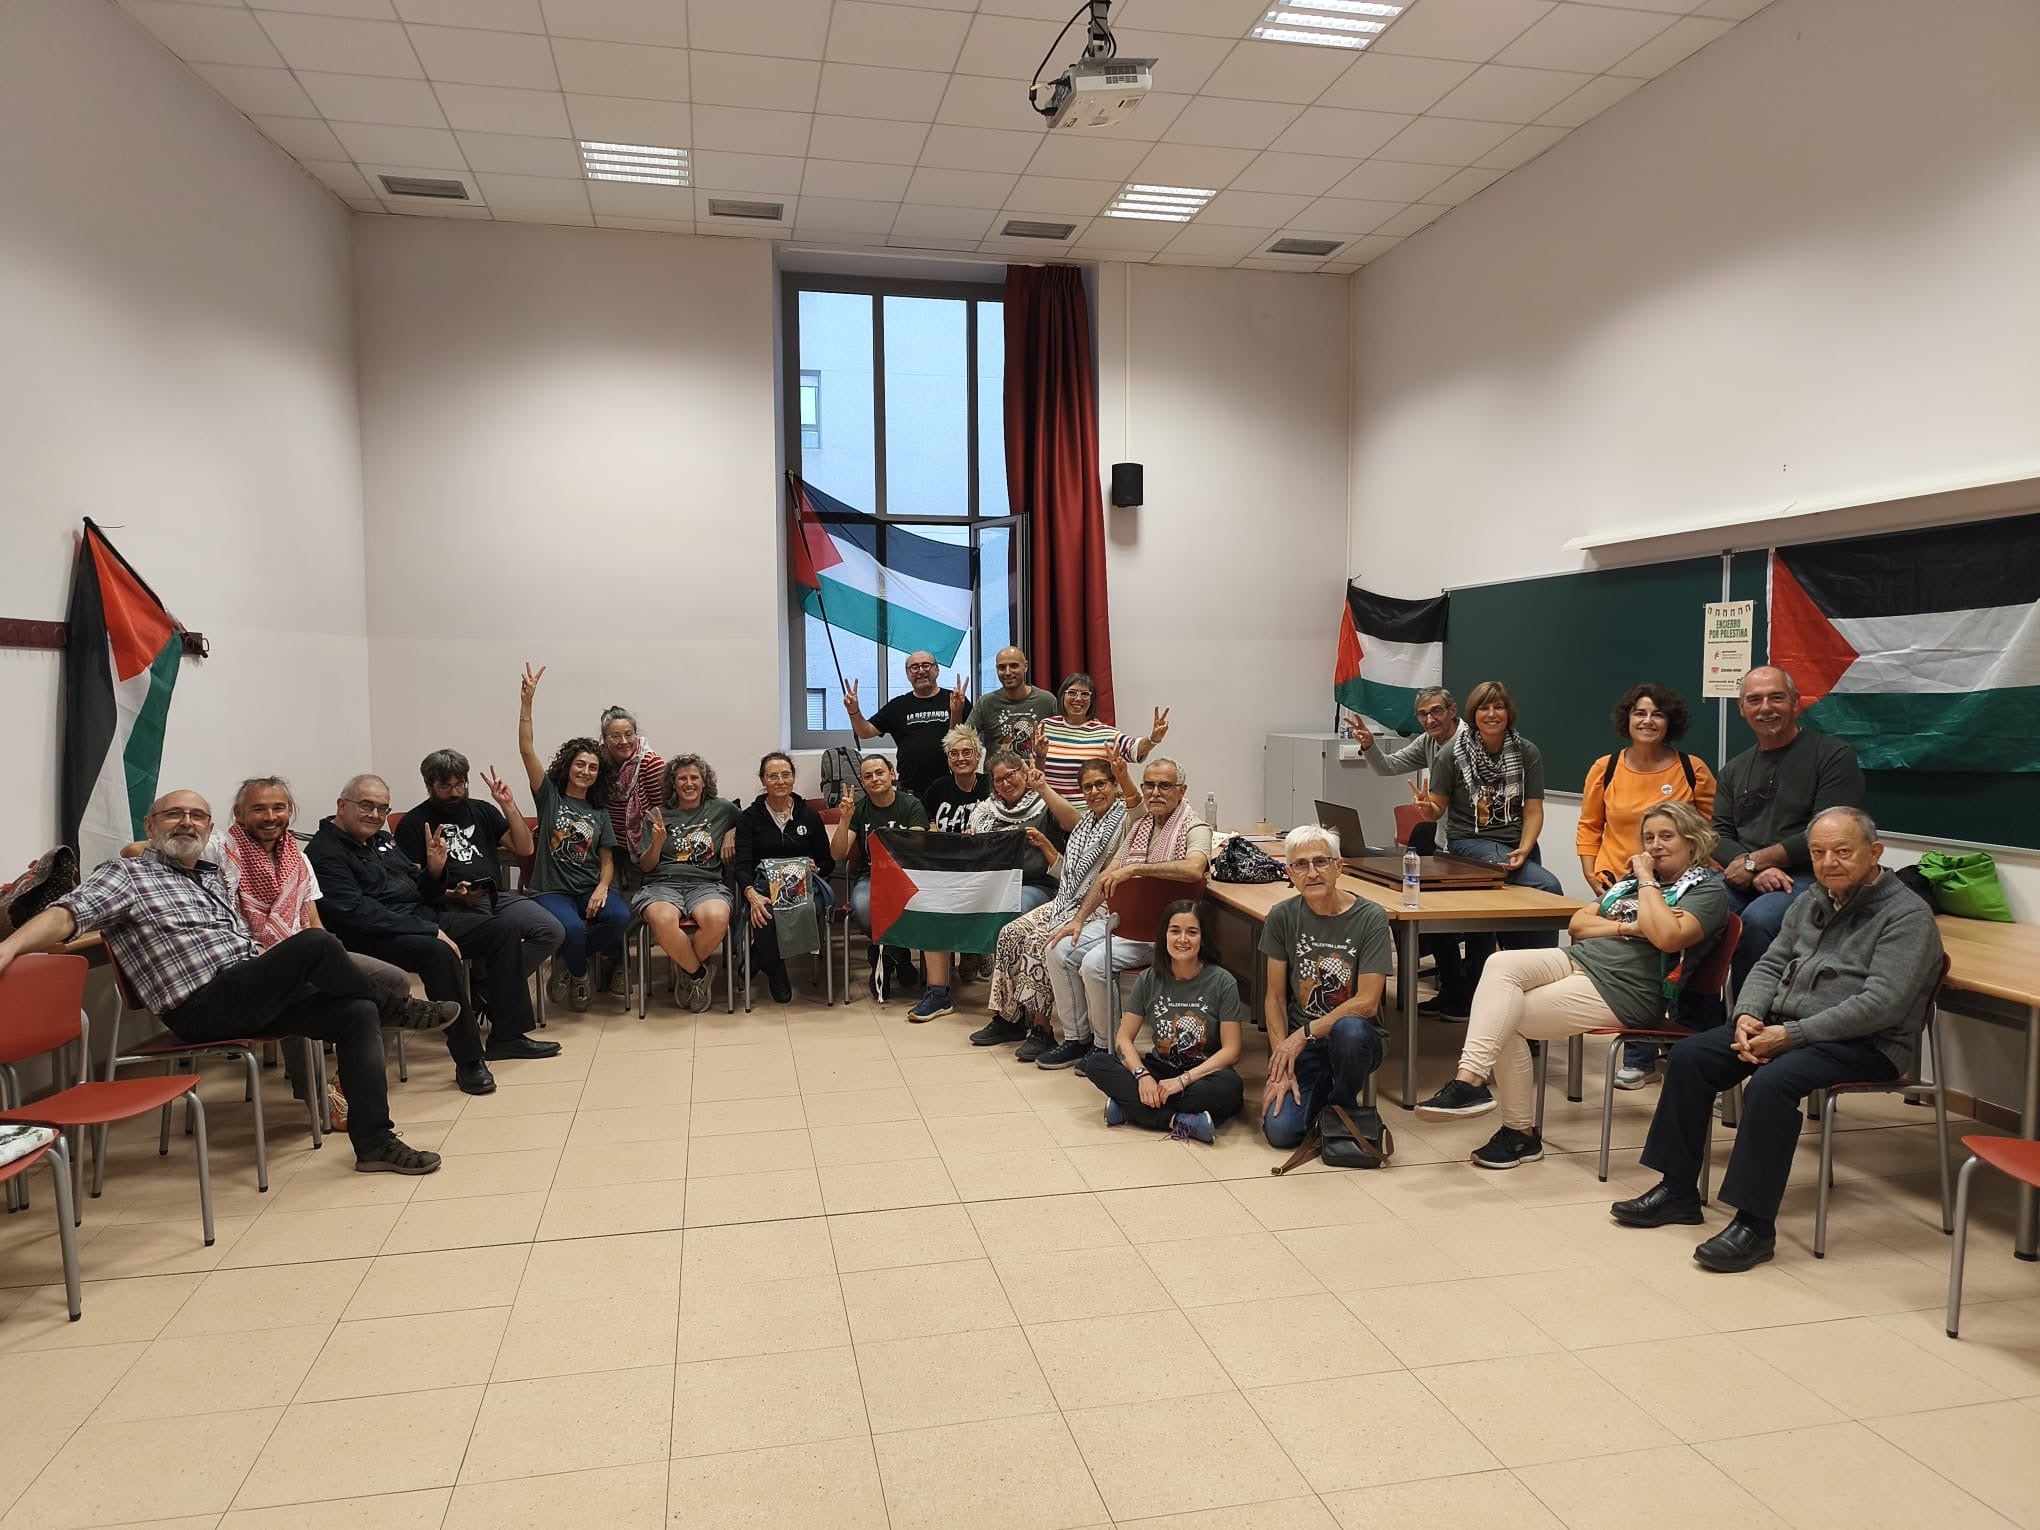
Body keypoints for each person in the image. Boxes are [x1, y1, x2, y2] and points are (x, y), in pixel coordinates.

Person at [0, 790, 446, 1174]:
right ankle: (399, 1009)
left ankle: (374, 1145)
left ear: (209, 828)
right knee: (315, 943)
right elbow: (68, 913)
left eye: (196, 816)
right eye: (174, 814)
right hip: (199, 1005)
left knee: (356, 1012)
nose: (186, 822)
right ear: (150, 824)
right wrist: (11, 947)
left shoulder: (212, 878)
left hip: (246, 988)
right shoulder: (128, 876)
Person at [1612, 807, 1943, 1272]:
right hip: (1784, 1026)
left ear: (1875, 853)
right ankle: (1677, 1191)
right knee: (1690, 1056)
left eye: (1843, 852)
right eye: (1818, 853)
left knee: (1770, 1085)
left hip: (1866, 1043)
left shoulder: (1906, 915)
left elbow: (1881, 1006)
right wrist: (1748, 1015)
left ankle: (1754, 1225)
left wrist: (1791, 1035)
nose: (1829, 863)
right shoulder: (1812, 901)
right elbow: (1770, 964)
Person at [1414, 801, 1730, 1170]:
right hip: (1580, 961)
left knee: (1505, 1019)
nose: (1655, 845)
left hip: (1626, 990)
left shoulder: (1706, 892)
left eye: (1666, 836)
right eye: (1648, 837)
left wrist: (1646, 883)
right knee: (1499, 964)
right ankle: (1470, 1080)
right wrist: (1630, 927)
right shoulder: (1628, 885)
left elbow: (1667, 938)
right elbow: (1579, 924)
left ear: (1692, 842)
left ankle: (1518, 1133)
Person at [311, 774, 556, 1096]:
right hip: (370, 936)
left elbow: (419, 889)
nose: (374, 815)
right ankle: (469, 1060)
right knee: (438, 952)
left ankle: (507, 1036)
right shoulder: (324, 852)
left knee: (502, 929)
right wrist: (430, 930)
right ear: (342, 805)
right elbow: (355, 914)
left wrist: (436, 872)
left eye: (382, 808)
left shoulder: (380, 840)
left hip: (417, 918)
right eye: (366, 806)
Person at [1577, 686, 1719, 1090]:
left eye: (1657, 714)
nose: (1648, 721)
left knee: (1678, 961)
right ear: (1628, 719)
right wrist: (1592, 872)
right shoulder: (1605, 768)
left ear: (1670, 722)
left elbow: (1709, 832)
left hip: (1678, 885)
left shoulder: (1693, 769)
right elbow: (1590, 826)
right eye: (1640, 713)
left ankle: (1688, 1053)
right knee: (1629, 961)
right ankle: (1640, 1056)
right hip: (1619, 883)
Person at [1040, 757, 1212, 1053]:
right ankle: (1075, 1039)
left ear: (1181, 791)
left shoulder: (1195, 827)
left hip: (1161, 931)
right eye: (1149, 785)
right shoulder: (1139, 825)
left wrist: (1138, 869)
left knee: (1095, 965)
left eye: (1165, 786)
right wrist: (1079, 919)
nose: (1155, 792)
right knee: (1057, 949)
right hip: (1123, 923)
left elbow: (1195, 869)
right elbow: (1109, 876)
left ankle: (1106, 1046)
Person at [1710, 666, 1866, 992]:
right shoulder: (1733, 770)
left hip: (1812, 875)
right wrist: (1752, 869)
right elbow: (1718, 834)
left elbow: (1826, 834)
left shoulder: (1833, 756)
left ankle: (1747, 1024)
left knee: (1758, 920)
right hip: (1749, 874)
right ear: (1742, 709)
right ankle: (1695, 1024)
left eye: (1776, 697)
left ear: (1795, 703)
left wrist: (1758, 861)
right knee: (1691, 911)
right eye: (1754, 700)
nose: (1765, 707)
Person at [980, 756, 1138, 1066]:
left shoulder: (1126, 820)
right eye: (1087, 787)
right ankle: (1008, 1017)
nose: (1094, 792)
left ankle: (1042, 1029)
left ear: (1115, 785)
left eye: (1100, 784)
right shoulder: (1086, 825)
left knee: (1043, 941)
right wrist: (1046, 848)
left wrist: (1125, 775)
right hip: (1067, 900)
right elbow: (1071, 873)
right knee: (1010, 932)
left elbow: (1135, 803)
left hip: (1101, 908)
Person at [1259, 825, 1394, 1151]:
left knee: (1349, 1029)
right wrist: (1281, 1062)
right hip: (1304, 1045)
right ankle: (1326, 1107)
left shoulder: (1371, 918)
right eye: (1301, 865)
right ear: (1290, 873)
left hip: (1355, 1041)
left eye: (1321, 862)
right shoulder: (1282, 916)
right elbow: (1275, 998)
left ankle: (1339, 1102)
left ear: (1339, 867)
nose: (1312, 872)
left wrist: (1302, 1035)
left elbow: (1367, 1003)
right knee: (1280, 1133)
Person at [1416, 680, 1564, 968]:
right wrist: (1426, 809)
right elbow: (1436, 809)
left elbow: (1533, 810)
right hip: (1468, 843)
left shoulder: (1526, 752)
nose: (1492, 714)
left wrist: (1525, 847)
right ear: (1473, 715)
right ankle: (1546, 969)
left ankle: (1526, 972)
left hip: (1515, 843)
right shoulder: (1452, 754)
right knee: (1548, 886)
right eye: (1484, 708)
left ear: (1509, 712)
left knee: (1528, 901)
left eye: (1499, 707)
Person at [1348, 686, 1474, 1018]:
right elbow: (1388, 766)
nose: (1429, 719)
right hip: (1446, 839)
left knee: (1474, 925)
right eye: (1423, 714)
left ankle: (1469, 996)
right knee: (1433, 914)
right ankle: (1453, 992)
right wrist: (1370, 745)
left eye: (1436, 711)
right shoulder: (1430, 742)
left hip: (1473, 842)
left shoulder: (1471, 743)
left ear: (1452, 710)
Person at [1078, 900, 1246, 1142]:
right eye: (1175, 931)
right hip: (1160, 1069)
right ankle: (1180, 1120)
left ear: (1203, 937)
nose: (1182, 939)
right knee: (1097, 1063)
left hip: (1201, 1075)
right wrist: (1142, 1076)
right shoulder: (1149, 979)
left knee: (1230, 1088)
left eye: (1192, 932)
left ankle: (1131, 1109)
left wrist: (1182, 1081)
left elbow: (1232, 1051)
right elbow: (1123, 1039)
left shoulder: (1222, 981)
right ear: (1164, 935)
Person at [394, 749, 563, 979]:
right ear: (429, 785)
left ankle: (491, 986)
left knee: (551, 931)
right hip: (451, 905)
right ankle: (494, 989)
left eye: (460, 785)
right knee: (494, 938)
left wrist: (509, 805)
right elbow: (409, 886)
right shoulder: (413, 823)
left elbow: (525, 848)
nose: (455, 793)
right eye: (446, 787)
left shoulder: (481, 810)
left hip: (496, 895)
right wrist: (450, 894)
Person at [518, 664, 629, 1012]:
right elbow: (526, 750)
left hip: (588, 887)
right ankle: (578, 972)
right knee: (570, 929)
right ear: (569, 766)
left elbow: (607, 860)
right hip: (551, 890)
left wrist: (601, 888)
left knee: (620, 917)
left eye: (593, 767)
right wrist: (527, 704)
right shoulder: (549, 795)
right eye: (580, 765)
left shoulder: (599, 811)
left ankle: (565, 961)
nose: (586, 771)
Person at [633, 753, 739, 1013]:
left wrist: (731, 832)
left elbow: (752, 820)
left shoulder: (722, 809)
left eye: (695, 778)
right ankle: (698, 974)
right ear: (673, 783)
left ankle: (687, 971)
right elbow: (646, 866)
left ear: (704, 783)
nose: (688, 783)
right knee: (662, 920)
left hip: (706, 884)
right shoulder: (657, 815)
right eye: (682, 778)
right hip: (662, 884)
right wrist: (657, 843)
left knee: (717, 917)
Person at [733, 751, 835, 1006]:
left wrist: (817, 868)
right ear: (763, 780)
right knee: (765, 911)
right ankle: (776, 971)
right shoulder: (749, 818)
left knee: (802, 907)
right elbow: (742, 864)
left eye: (785, 775)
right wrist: (750, 895)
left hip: (802, 886)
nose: (780, 781)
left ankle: (760, 953)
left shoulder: (809, 815)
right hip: (763, 886)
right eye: (772, 776)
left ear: (793, 779)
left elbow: (828, 861)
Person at [830, 753, 930, 1000]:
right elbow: (838, 853)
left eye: (879, 772)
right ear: (862, 783)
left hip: (907, 877)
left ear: (892, 774)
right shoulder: (860, 809)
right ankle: (900, 955)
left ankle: (884, 956)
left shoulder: (911, 805)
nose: (874, 779)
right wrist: (845, 819)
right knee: (864, 907)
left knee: (915, 906)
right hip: (871, 877)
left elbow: (917, 845)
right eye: (867, 776)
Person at [594, 703, 665, 994]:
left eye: (629, 734)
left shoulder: (650, 762)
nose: (623, 741)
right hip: (608, 847)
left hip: (643, 847)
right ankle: (614, 961)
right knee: (608, 905)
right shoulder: (598, 761)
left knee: (633, 906)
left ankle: (620, 964)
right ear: (604, 739)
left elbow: (664, 807)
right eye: (615, 736)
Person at [844, 652, 961, 797]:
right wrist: (854, 711)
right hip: (910, 791)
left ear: (936, 669)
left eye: (926, 665)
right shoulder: (898, 706)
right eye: (914, 667)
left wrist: (957, 711)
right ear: (907, 673)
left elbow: (968, 739)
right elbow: (864, 732)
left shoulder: (956, 700)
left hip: (950, 787)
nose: (921, 671)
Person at [1033, 672, 1165, 798]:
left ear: (1092, 700)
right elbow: (1035, 772)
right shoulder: (1046, 727)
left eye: (1085, 694)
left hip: (1088, 813)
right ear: (1062, 696)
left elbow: (1134, 748)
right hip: (1048, 810)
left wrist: (1153, 739)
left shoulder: (1105, 734)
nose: (1078, 699)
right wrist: (1039, 755)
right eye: (1072, 693)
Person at [952, 645, 1059, 760]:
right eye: (1002, 667)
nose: (1007, 672)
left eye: (1014, 666)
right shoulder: (985, 703)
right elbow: (958, 742)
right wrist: (957, 712)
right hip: (997, 776)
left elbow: (1060, 742)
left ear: (1025, 666)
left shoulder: (1047, 701)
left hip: (1036, 775)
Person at [921, 725, 989, 833]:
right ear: (948, 759)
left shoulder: (990, 785)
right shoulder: (938, 788)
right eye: (954, 754)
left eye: (967, 753)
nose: (960, 758)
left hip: (982, 849)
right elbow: (920, 818)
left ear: (978, 756)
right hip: (946, 849)